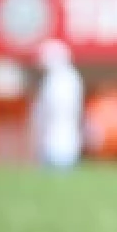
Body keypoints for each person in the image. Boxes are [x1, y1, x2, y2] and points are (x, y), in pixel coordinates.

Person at [30, 39, 84, 170]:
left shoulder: (58, 80)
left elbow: (48, 111)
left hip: (58, 142)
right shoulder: (68, 78)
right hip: (60, 141)